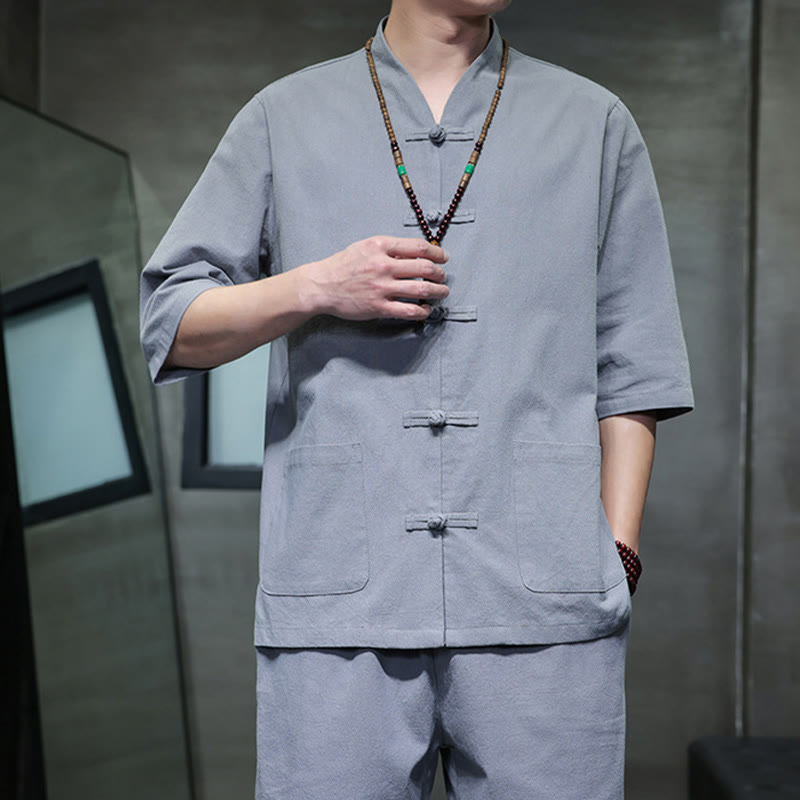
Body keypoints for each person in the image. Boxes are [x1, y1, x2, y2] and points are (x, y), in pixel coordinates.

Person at [139, 0, 695, 797]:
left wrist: (618, 551)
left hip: (546, 602)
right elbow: (172, 324)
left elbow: (635, 364)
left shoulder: (594, 123)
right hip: (337, 596)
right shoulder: (284, 117)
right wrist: (316, 286)